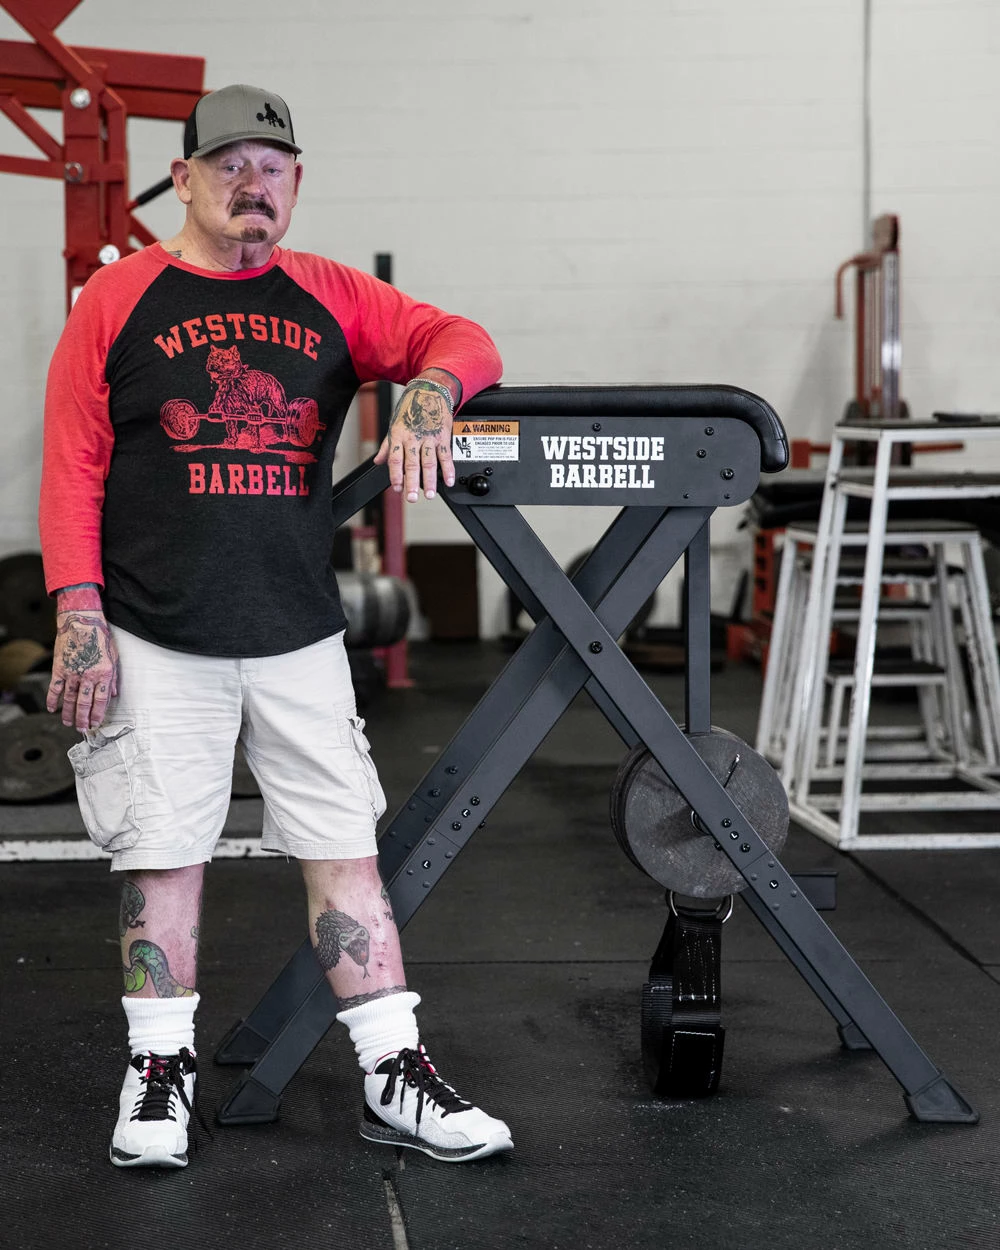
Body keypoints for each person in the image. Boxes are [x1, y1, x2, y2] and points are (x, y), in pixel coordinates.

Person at [39, 83, 512, 1170]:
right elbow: (72, 463)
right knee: (161, 856)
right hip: (155, 630)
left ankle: (393, 1071)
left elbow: (463, 336)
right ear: (185, 179)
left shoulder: (331, 294)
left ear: (295, 184)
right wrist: (78, 608)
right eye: (230, 166)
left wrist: (432, 391)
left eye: (273, 168)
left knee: (346, 852)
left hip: (297, 631)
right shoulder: (118, 296)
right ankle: (158, 1071)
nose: (252, 186)